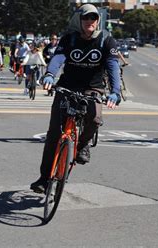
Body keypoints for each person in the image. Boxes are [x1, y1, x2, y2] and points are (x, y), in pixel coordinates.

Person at [30, 4, 122, 193]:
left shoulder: (106, 40)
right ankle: (44, 178)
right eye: (86, 18)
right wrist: (49, 75)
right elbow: (58, 59)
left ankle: (81, 145)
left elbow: (113, 66)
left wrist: (115, 91)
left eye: (93, 18)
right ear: (79, 21)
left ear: (98, 21)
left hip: (93, 88)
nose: (90, 21)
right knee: (54, 134)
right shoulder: (69, 39)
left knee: (95, 118)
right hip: (67, 86)